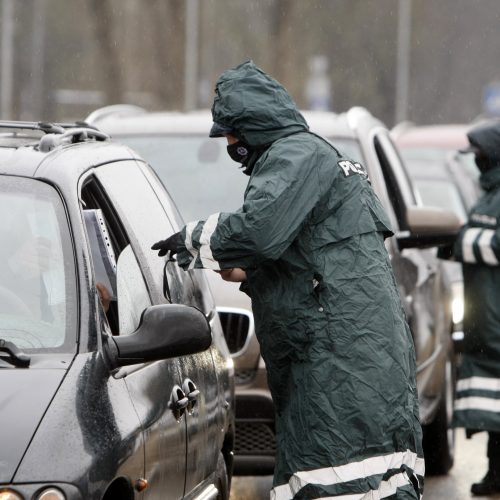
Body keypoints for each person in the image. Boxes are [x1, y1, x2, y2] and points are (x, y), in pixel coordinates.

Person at [152, 61, 424, 499]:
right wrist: (242, 267)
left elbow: (260, 231)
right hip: (350, 365)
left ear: (251, 127)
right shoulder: (312, 158)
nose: (230, 145)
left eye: (230, 135)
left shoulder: (294, 157)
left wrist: (195, 238)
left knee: (338, 481)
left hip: (339, 371)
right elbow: (307, 256)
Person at [440, 121, 500, 496]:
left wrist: (461, 240)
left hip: (495, 322)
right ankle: (496, 474)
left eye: (479, 153)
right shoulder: (489, 193)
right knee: (494, 412)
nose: (475, 160)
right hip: (486, 323)